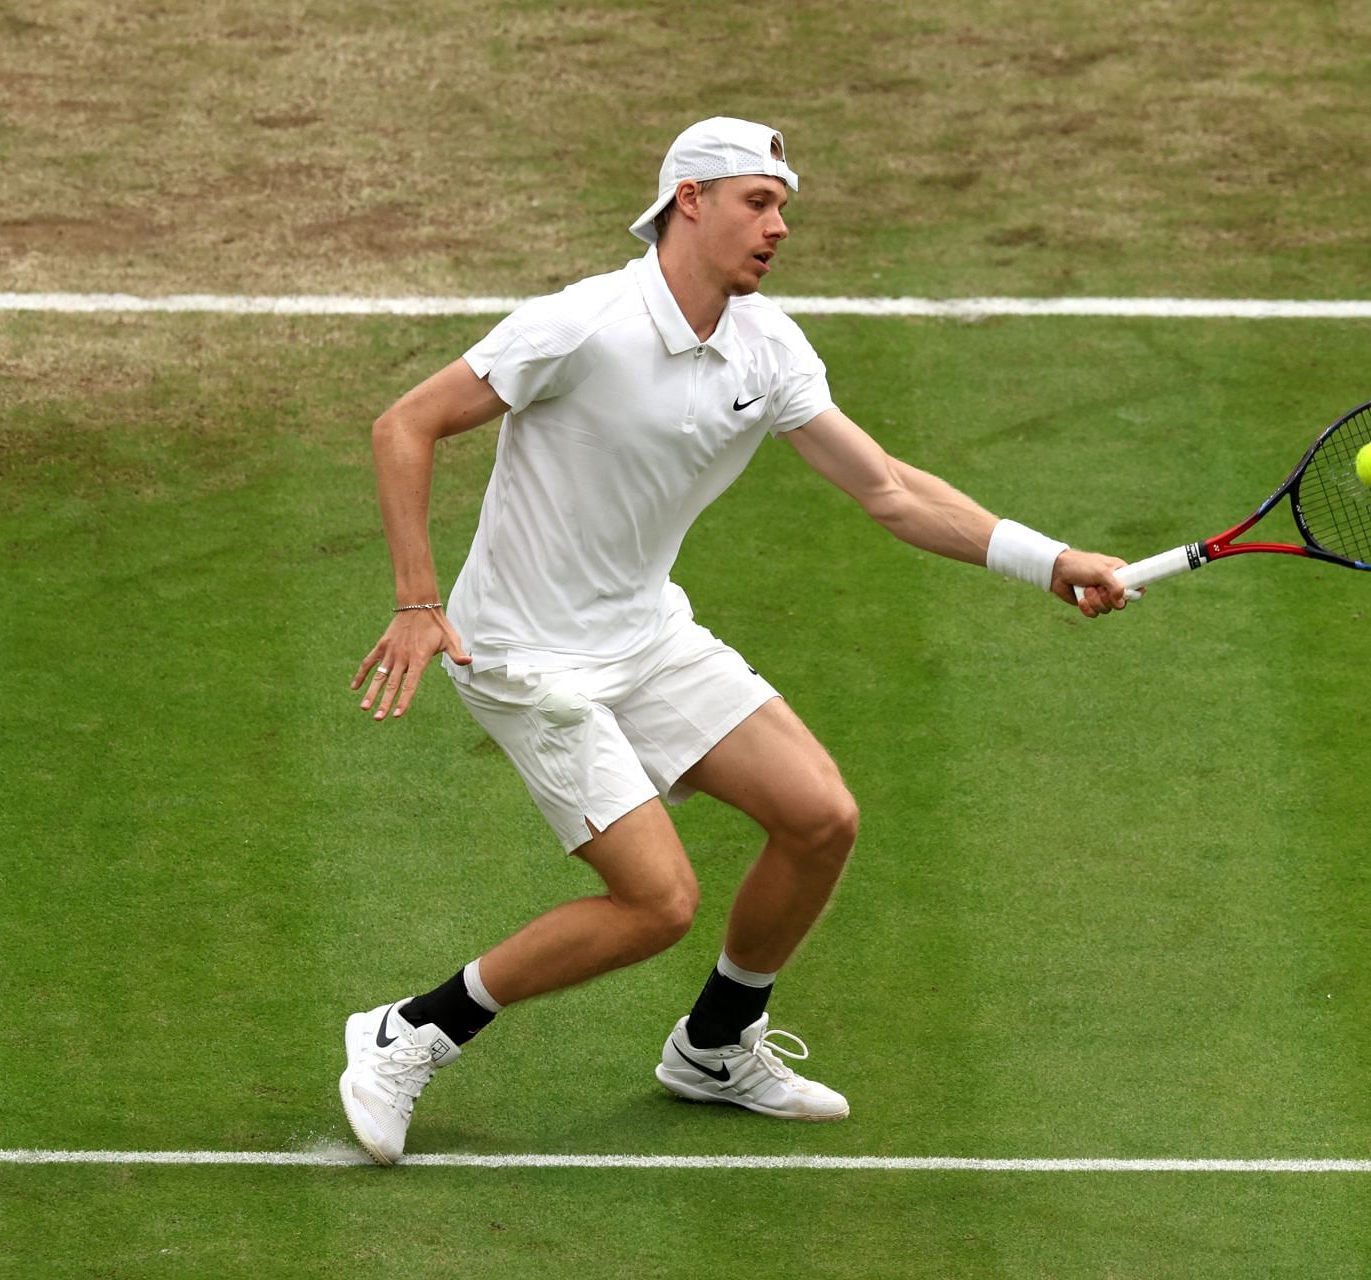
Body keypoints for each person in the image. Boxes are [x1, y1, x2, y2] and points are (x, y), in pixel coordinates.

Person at [338, 117, 1131, 1165]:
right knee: (658, 902)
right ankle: (412, 1030)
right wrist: (414, 597)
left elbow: (887, 489)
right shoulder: (581, 324)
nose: (780, 225)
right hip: (526, 658)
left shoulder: (768, 346)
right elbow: (406, 423)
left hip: (646, 632)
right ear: (690, 201)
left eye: (784, 206)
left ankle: (715, 1045)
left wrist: (1050, 557)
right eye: (759, 201)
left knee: (820, 816)